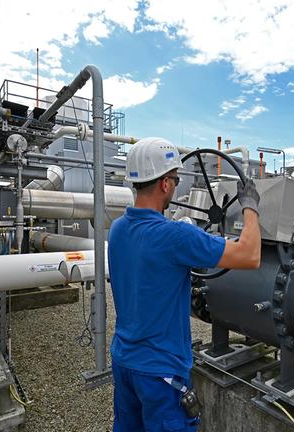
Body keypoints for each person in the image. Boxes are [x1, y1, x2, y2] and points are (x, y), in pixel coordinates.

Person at [108, 137, 261, 432]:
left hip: (124, 361)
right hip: (160, 372)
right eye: (176, 180)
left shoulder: (117, 230)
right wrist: (250, 208)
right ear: (165, 184)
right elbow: (250, 254)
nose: (176, 186)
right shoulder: (176, 237)